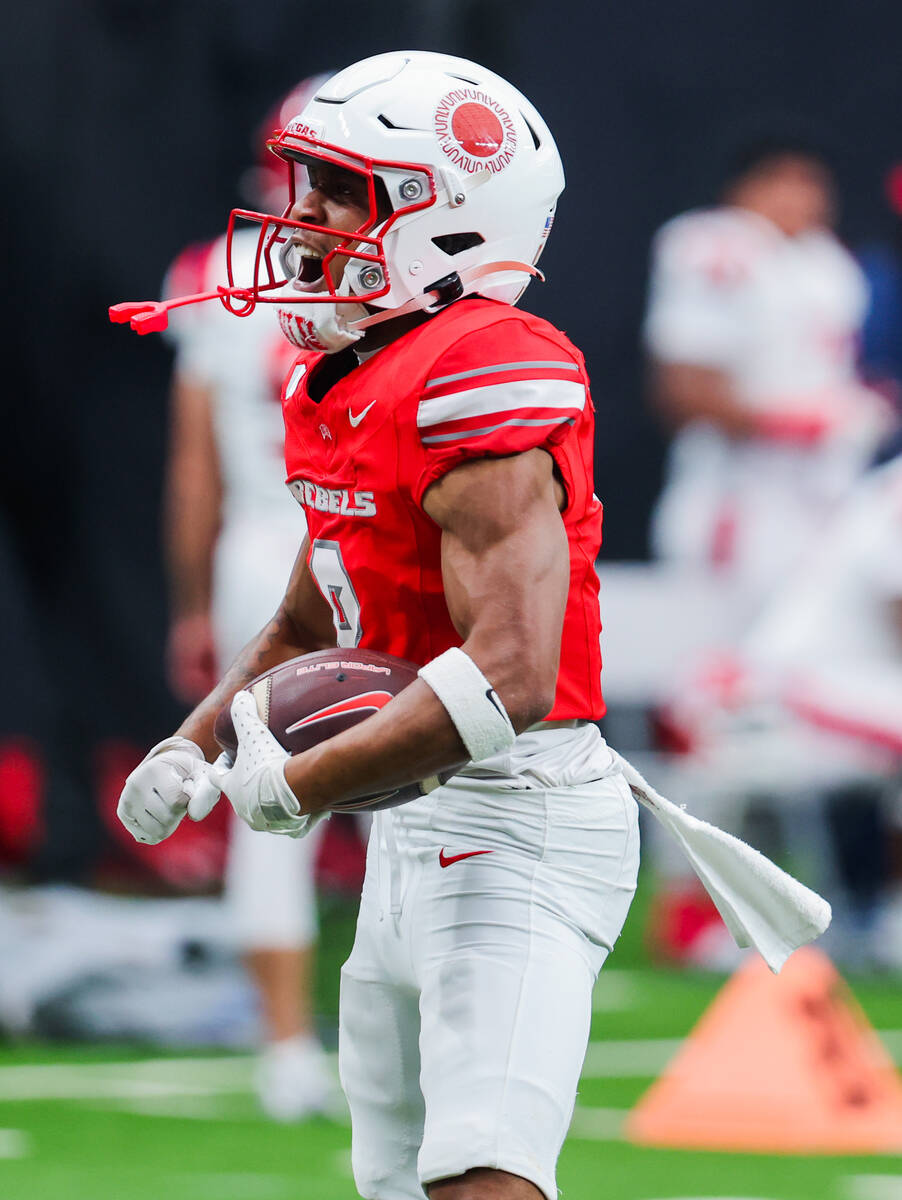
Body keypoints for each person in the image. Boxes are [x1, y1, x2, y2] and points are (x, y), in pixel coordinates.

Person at [114, 53, 827, 1200]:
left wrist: (301, 785)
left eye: (337, 191)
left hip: (517, 819)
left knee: (478, 1175)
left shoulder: (483, 371)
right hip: (415, 826)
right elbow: (312, 611)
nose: (302, 220)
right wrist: (194, 743)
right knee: (397, 1183)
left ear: (443, 217)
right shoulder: (348, 371)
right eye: (303, 185)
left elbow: (509, 678)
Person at [162, 76, 334, 1121]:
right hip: (348, 539)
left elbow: (194, 472)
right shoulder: (414, 268)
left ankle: (286, 1051)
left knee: (272, 800)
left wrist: (192, 600)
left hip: (259, 549)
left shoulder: (215, 270)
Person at [644, 132, 893, 622]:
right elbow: (683, 392)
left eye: (809, 182)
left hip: (826, 498)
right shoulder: (715, 247)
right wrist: (799, 423)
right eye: (778, 179)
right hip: (740, 504)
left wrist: (860, 407)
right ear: (740, 189)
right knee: (719, 664)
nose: (797, 196)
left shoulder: (829, 263)